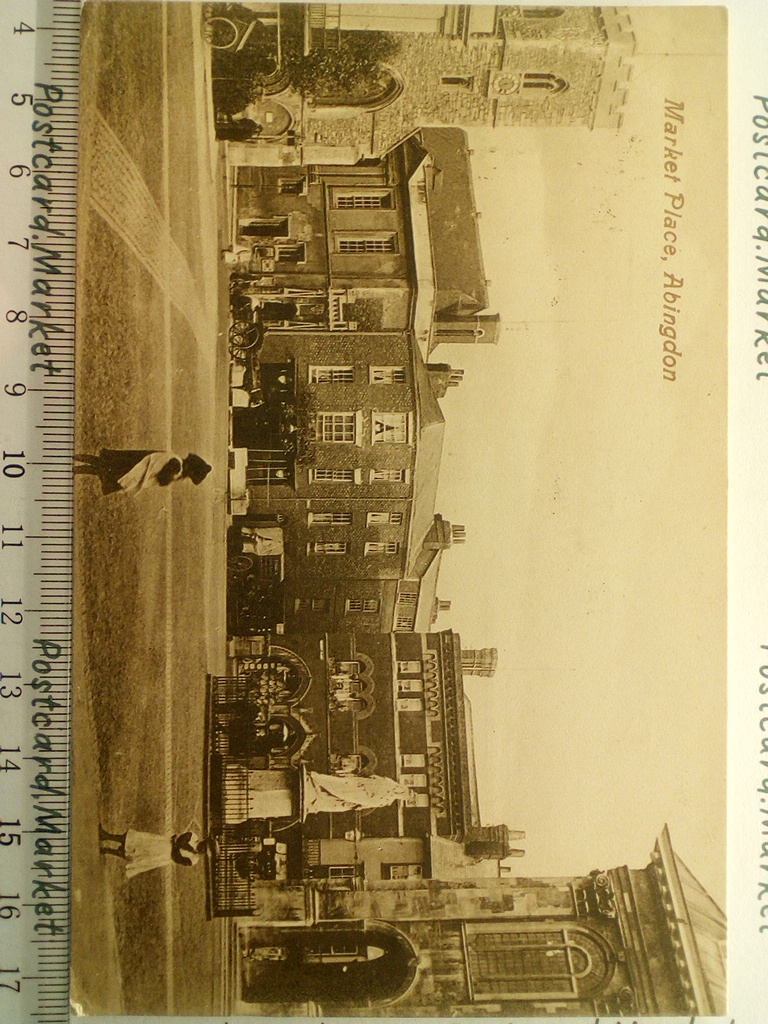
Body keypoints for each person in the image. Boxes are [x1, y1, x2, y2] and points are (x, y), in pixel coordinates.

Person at [75, 449, 211, 495]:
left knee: (99, 466)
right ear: (190, 469)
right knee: (100, 468)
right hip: (132, 470)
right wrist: (172, 479)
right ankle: (74, 465)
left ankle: (75, 462)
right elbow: (163, 478)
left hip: (133, 465)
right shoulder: (176, 466)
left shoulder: (175, 459)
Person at [98, 825, 209, 878]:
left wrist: (176, 845)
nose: (202, 849)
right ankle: (107, 836)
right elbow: (181, 840)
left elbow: (177, 858)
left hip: (162, 856)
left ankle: (108, 850)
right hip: (161, 843)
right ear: (204, 841)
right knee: (136, 839)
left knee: (136, 856)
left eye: (205, 851)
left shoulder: (193, 860)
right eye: (204, 846)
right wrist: (179, 845)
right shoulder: (194, 837)